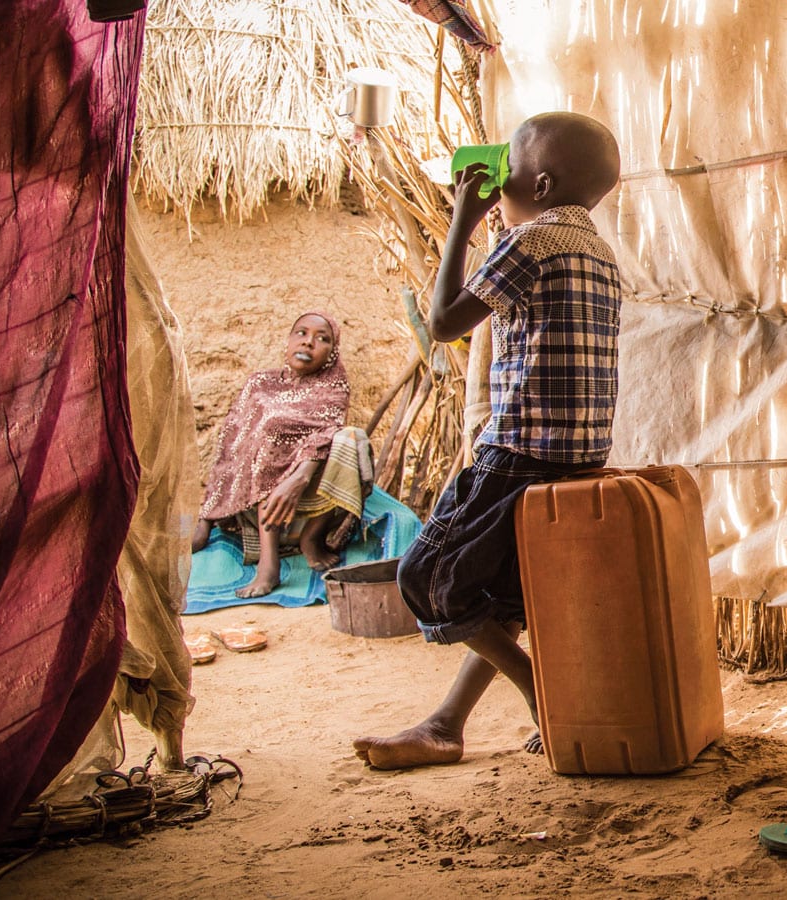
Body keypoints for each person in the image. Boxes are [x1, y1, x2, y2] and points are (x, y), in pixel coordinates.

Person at [353, 111, 624, 771]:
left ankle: (542, 693)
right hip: (580, 458)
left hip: (519, 454)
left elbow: (444, 321)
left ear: (538, 182)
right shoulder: (600, 253)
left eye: (503, 172)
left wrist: (464, 221)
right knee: (499, 598)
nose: (494, 186)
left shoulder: (529, 241)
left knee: (427, 578)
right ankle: (447, 725)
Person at [194, 311, 368, 599]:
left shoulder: (334, 387)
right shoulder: (260, 384)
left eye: (322, 338)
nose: (309, 343)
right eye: (301, 333)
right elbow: (231, 446)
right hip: (259, 505)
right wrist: (205, 519)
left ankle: (312, 539)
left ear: (331, 353)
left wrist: (299, 478)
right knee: (268, 433)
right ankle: (268, 562)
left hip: (312, 499)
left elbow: (325, 434)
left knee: (350, 438)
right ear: (287, 341)